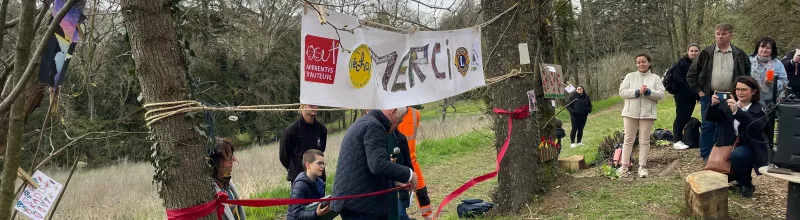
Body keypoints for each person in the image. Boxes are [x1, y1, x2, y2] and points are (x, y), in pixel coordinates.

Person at [330, 108, 418, 220]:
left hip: (355, 202)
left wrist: (395, 182)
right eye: (399, 121)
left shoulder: (364, 122)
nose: (397, 126)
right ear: (393, 111)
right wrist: (409, 174)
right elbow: (378, 165)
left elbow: (365, 167)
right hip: (360, 207)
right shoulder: (374, 126)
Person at [687, 23, 751, 162]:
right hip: (710, 96)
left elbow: (747, 76)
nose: (720, 36)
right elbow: (691, 75)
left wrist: (741, 93)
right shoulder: (706, 53)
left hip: (731, 96)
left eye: (723, 34)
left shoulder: (739, 54)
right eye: (717, 34)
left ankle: (723, 156)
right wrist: (701, 92)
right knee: (708, 125)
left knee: (728, 126)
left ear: (730, 35)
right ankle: (706, 156)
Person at [705, 76, 768, 198]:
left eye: (744, 89)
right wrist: (712, 105)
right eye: (738, 89)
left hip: (749, 145)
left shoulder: (759, 108)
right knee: (720, 174)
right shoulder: (726, 104)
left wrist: (737, 111)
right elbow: (711, 118)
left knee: (739, 155)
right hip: (727, 144)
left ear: (753, 91)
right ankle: (735, 176)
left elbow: (757, 127)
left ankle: (745, 183)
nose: (740, 92)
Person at [617, 54, 666, 178]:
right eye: (638, 62)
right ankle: (624, 166)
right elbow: (622, 92)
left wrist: (649, 92)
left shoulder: (655, 78)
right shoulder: (630, 76)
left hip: (647, 114)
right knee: (628, 139)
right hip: (630, 113)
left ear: (649, 63)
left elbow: (660, 94)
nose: (641, 64)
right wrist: (636, 92)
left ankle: (642, 167)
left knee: (644, 140)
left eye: (643, 62)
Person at [747, 37, 788, 160]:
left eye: (768, 47)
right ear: (757, 48)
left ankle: (768, 155)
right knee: (752, 126)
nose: (765, 50)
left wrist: (772, 83)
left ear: (772, 50)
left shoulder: (777, 63)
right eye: (762, 47)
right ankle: (752, 152)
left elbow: (785, 82)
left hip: (771, 102)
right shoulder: (748, 61)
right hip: (752, 100)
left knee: (768, 128)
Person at [396, 107, 433, 220]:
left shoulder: (415, 114)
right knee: (398, 195)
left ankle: (429, 217)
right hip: (396, 162)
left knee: (421, 191)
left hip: (412, 161)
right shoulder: (390, 112)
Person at [280, 104, 329, 186]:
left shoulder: (321, 129)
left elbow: (321, 151)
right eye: (311, 105)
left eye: (316, 104)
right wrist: (297, 169)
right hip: (299, 181)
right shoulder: (291, 131)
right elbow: (284, 157)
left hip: (319, 180)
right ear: (302, 105)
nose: (315, 107)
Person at [671, 43, 701, 150]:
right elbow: (678, 79)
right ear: (687, 51)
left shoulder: (699, 63)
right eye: (691, 51)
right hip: (682, 95)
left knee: (687, 116)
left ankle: (685, 137)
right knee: (681, 116)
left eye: (696, 51)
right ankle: (676, 140)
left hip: (693, 95)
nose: (693, 53)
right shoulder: (682, 63)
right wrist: (692, 90)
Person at [287, 149, 331, 220]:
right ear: (308, 165)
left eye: (323, 163)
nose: (323, 166)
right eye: (319, 163)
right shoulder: (300, 185)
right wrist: (316, 213)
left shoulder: (320, 183)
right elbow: (297, 214)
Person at [209, 138, 247, 220]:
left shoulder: (227, 183)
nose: (234, 159)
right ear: (216, 162)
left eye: (232, 155)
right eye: (228, 157)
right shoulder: (209, 191)